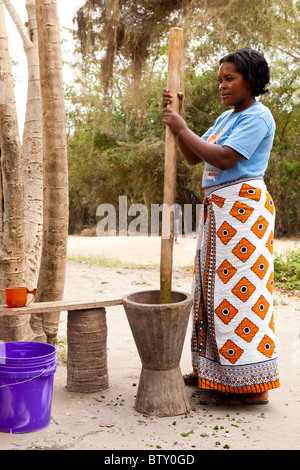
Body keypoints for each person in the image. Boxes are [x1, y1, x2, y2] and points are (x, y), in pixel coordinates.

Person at [162, 48, 280, 405]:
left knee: (242, 297)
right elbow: (193, 155)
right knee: (211, 293)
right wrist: (178, 120)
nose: (222, 86)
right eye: (220, 80)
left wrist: (182, 126)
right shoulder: (225, 119)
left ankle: (253, 386)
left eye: (230, 79)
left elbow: (226, 159)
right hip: (218, 212)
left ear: (252, 80)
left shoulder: (259, 117)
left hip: (243, 214)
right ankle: (214, 376)